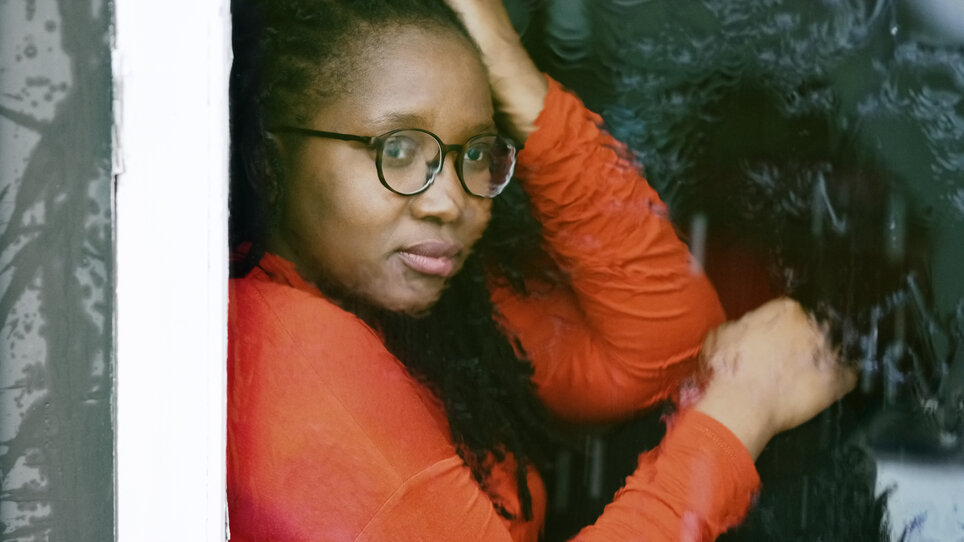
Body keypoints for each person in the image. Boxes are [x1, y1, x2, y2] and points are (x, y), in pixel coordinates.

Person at [226, 0, 857, 540]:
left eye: (475, 153)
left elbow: (663, 348)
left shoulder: (412, 304)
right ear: (271, 161)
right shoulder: (288, 346)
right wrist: (742, 411)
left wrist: (508, 67)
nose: (451, 201)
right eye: (398, 149)